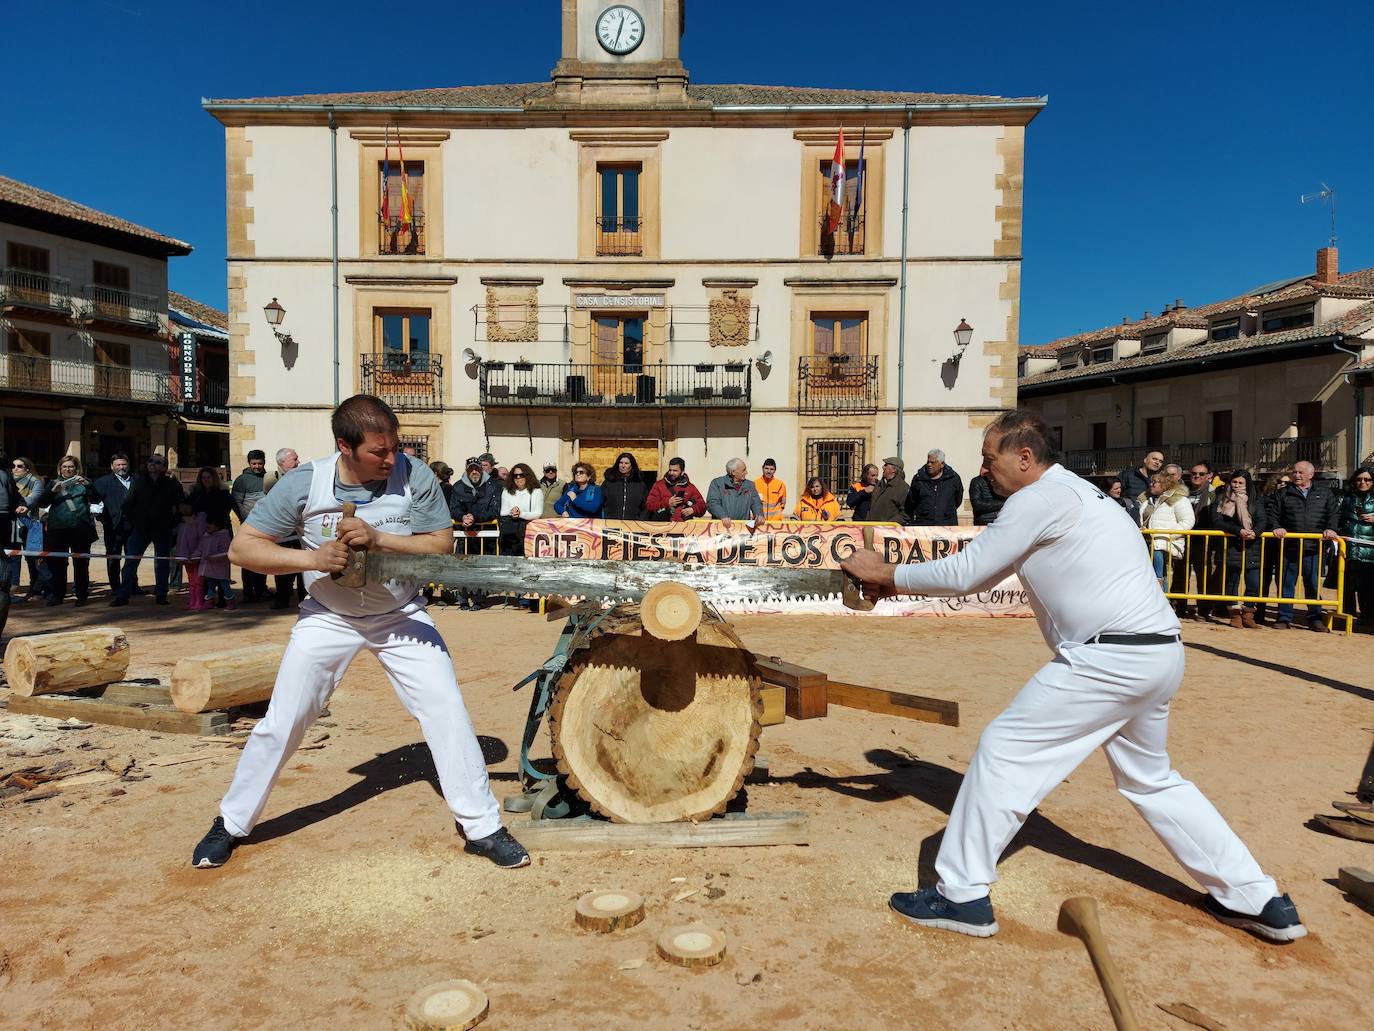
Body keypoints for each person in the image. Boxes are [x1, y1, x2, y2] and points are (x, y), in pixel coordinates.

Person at [841, 409, 1305, 943]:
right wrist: (896, 580)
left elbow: (966, 572)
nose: (984, 469)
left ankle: (961, 896)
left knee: (1003, 748)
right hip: (1157, 653)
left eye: (990, 459)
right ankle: (1256, 898)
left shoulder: (1038, 498)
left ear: (1024, 457)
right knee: (1150, 780)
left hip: (1109, 660)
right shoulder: (1080, 495)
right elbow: (984, 572)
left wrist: (885, 574)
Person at [192, 394, 526, 870]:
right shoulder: (304, 483)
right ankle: (231, 822)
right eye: (378, 452)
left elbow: (442, 545)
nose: (391, 459)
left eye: (394, 448)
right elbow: (243, 550)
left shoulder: (415, 474)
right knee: (283, 720)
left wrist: (379, 537)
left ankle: (482, 826)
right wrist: (311, 559)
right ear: (344, 446)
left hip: (400, 613)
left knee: (446, 708)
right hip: (328, 616)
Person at [1266, 460, 1339, 632]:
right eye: (1295, 472)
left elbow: (1334, 514)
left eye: (1300, 472)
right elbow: (1273, 514)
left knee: (1313, 584)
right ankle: (1284, 617)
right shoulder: (1283, 493)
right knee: (1286, 583)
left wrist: (1331, 528)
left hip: (1314, 548)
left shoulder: (1325, 493)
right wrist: (1276, 527)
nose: (1296, 475)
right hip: (1288, 547)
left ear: (1311, 475)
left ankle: (1315, 618)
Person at [111, 455, 184, 606]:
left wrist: (172, 524)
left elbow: (180, 506)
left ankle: (161, 595)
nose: (153, 464)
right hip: (140, 529)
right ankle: (123, 595)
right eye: (150, 461)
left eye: (158, 462)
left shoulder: (172, 484)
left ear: (164, 467)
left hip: (162, 529)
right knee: (131, 562)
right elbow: (127, 504)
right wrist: (134, 522)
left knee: (162, 563)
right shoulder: (139, 482)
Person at [38, 456, 102, 607]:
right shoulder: (53, 483)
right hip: (58, 529)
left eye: (71, 467)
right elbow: (41, 503)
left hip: (81, 528)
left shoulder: (84, 482)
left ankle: (81, 595)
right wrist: (53, 492)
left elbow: (97, 499)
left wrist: (88, 486)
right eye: (65, 467)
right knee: (58, 564)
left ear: (76, 468)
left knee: (81, 564)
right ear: (60, 468)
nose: (68, 469)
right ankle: (58, 595)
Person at [1209, 470, 1269, 629]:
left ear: (1247, 484)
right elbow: (1216, 520)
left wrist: (1254, 532)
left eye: (1240, 483)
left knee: (1253, 582)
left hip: (1252, 546)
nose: (1236, 485)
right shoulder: (1222, 497)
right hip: (1231, 545)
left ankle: (1248, 614)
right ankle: (1234, 614)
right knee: (1231, 582)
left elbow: (1263, 519)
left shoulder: (1255, 499)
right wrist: (1238, 531)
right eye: (1234, 482)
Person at [449, 459, 503, 612]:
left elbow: (495, 510)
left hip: (484, 534)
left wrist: (474, 518)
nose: (474, 472)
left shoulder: (493, 486)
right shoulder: (458, 487)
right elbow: (453, 509)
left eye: (477, 469)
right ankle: (463, 599)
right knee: (462, 567)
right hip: (464, 533)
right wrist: (462, 517)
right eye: (471, 469)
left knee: (481, 567)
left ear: (481, 470)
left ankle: (479, 599)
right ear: (466, 470)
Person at [1178, 461, 1222, 621]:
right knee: (1180, 574)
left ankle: (1204, 609)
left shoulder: (1214, 493)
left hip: (1204, 540)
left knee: (1204, 576)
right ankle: (1179, 607)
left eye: (1201, 474)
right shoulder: (1183, 492)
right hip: (1184, 538)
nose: (1196, 476)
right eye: (1194, 473)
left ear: (1209, 476)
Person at [1138, 471, 1194, 589]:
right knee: (1153, 574)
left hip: (1166, 542)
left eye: (1156, 482)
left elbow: (1187, 521)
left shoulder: (1179, 499)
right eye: (1151, 482)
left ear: (1165, 484)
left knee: (1159, 574)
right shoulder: (1147, 500)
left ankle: (1163, 598)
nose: (1151, 484)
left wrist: (1166, 535)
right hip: (1148, 542)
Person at [1254, 469, 1294, 625]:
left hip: (1286, 545)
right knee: (1262, 580)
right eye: (1280, 482)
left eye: (1286, 483)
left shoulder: (1292, 499)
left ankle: (1283, 615)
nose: (1283, 485)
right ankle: (1259, 612)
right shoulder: (1264, 499)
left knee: (1284, 581)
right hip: (1266, 543)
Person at [268, 448, 305, 609]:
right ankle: (282, 599)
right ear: (283, 462)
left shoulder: (302, 476)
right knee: (283, 567)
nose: (298, 462)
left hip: (300, 533)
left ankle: (305, 599)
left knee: (304, 568)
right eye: (295, 459)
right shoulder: (271, 479)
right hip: (283, 533)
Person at [232, 450, 270, 602]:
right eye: (254, 463)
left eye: (260, 463)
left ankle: (261, 589)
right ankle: (248, 592)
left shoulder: (269, 479)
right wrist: (245, 518)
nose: (257, 466)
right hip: (248, 525)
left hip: (266, 526)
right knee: (247, 560)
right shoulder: (241, 480)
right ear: (249, 463)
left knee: (263, 560)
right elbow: (236, 502)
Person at [93, 453, 136, 593]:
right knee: (113, 557)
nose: (121, 467)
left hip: (133, 527)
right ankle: (116, 587)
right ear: (112, 467)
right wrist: (103, 519)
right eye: (118, 464)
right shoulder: (102, 482)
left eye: (123, 464)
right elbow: (93, 501)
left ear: (128, 465)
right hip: (113, 526)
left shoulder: (138, 480)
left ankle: (132, 585)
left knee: (132, 557)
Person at [1338, 467, 1374, 626]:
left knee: (1368, 587)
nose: (1363, 482)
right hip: (1348, 549)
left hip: (1370, 552)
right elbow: (1337, 518)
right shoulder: (1345, 497)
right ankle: (1347, 616)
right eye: (1359, 479)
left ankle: (1368, 617)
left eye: (1367, 479)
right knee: (1347, 586)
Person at [11, 457, 49, 601]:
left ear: (27, 469)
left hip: (30, 524)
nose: (15, 468)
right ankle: (13, 586)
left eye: (19, 466)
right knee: (13, 556)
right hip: (13, 524)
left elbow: (34, 499)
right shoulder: (9, 481)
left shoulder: (35, 481)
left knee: (33, 558)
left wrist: (13, 503)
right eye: (13, 466)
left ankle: (37, 589)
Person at [0, 450, 26, 637]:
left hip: (3, 523)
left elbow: (15, 494)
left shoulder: (5, 469)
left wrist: (22, 503)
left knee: (2, 579)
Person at [906, 449, 965, 526]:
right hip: (923, 524)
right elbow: (911, 501)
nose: (929, 465)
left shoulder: (953, 478)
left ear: (942, 464)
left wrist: (946, 512)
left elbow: (958, 499)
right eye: (928, 462)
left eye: (932, 462)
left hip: (947, 524)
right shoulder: (918, 478)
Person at [705, 458, 762, 529]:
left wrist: (758, 514)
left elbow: (756, 502)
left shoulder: (749, 485)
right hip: (722, 528)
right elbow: (712, 503)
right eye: (743, 470)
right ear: (733, 472)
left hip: (743, 529)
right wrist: (723, 515)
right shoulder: (717, 483)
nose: (746, 472)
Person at [645, 458, 706, 522]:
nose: (671, 473)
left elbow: (703, 506)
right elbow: (649, 505)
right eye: (670, 470)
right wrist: (667, 503)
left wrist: (693, 510)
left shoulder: (690, 487)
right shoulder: (659, 485)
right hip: (663, 527)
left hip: (683, 528)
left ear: (682, 472)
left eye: (675, 470)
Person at [196, 515, 236, 610]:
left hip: (220, 567)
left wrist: (212, 557)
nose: (207, 526)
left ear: (217, 526)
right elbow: (200, 548)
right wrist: (193, 555)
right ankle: (209, 602)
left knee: (225, 585)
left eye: (210, 524)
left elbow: (224, 552)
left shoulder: (224, 536)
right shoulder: (206, 536)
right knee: (210, 585)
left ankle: (230, 602)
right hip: (209, 567)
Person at [175, 503, 208, 611]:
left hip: (196, 558)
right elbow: (180, 541)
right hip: (186, 558)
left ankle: (199, 602)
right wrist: (181, 556)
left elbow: (202, 540)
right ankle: (192, 601)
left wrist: (195, 555)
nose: (183, 509)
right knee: (191, 581)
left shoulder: (199, 522)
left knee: (198, 581)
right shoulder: (181, 523)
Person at [601, 453, 647, 520]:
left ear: (632, 466)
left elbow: (645, 506)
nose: (623, 465)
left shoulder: (640, 485)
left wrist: (640, 520)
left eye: (626, 463)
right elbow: (601, 502)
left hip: (633, 525)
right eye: (621, 463)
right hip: (611, 523)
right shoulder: (608, 483)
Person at [868, 458, 909, 524]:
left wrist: (888, 524)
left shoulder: (903, 488)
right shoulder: (879, 484)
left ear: (894, 470)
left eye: (886, 465)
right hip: (873, 528)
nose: (883, 467)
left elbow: (905, 514)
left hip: (889, 531)